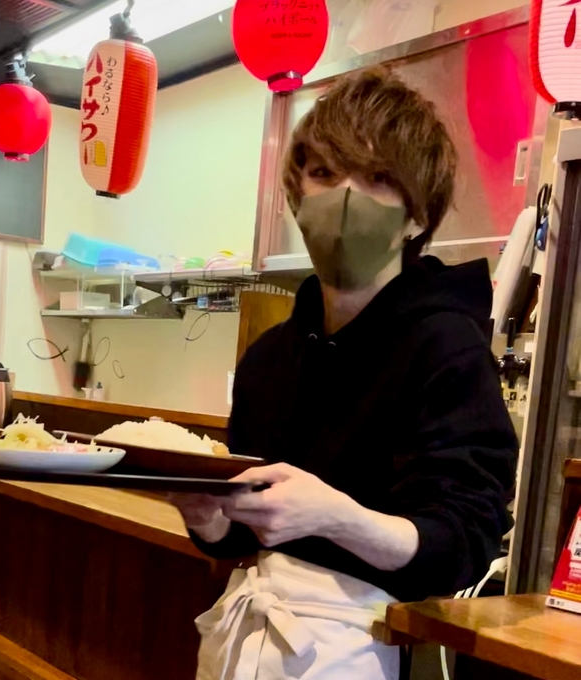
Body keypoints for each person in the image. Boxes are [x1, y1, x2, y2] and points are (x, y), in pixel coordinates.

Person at [172, 68, 518, 680]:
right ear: (296, 194)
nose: (347, 197)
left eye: (379, 178)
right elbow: (247, 531)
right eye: (325, 173)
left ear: (417, 217)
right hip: (249, 641)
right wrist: (211, 521)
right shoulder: (269, 358)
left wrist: (338, 516)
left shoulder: (448, 348)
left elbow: (463, 542)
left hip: (368, 646)